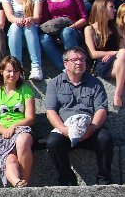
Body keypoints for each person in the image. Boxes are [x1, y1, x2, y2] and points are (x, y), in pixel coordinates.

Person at [45, 46, 113, 186]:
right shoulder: (55, 83)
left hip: (90, 127)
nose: (79, 62)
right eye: (75, 60)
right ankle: (67, 180)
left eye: (82, 59)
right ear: (65, 63)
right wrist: (64, 130)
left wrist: (91, 129)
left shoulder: (95, 83)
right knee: (53, 142)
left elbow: (101, 109)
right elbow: (50, 111)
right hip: (66, 129)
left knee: (105, 138)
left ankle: (104, 179)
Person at [0, 57, 35, 188]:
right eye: (9, 71)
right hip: (1, 133)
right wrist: (5, 130)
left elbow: (30, 118)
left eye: (16, 71)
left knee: (22, 141)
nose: (12, 74)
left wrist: (14, 126)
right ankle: (17, 183)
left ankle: (25, 181)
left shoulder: (26, 90)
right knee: (10, 159)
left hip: (21, 129)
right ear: (1, 71)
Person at [39, 0, 87, 70]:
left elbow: (84, 18)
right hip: (54, 30)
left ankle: (75, 65)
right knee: (43, 38)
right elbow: (45, 20)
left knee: (66, 32)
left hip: (73, 29)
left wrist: (70, 28)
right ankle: (64, 69)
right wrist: (55, 35)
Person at [0, 0, 44, 79]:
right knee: (14, 26)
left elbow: (37, 18)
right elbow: (9, 16)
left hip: (32, 30)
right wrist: (18, 20)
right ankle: (17, 68)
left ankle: (36, 67)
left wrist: (29, 19)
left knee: (29, 26)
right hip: (16, 31)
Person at [83, 0, 125, 108]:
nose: (115, 10)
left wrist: (116, 54)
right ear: (102, 9)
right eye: (111, 7)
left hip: (119, 62)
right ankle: (117, 95)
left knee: (123, 54)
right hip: (102, 64)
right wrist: (115, 53)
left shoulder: (116, 28)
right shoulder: (90, 29)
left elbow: (123, 51)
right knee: (122, 53)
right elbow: (93, 54)